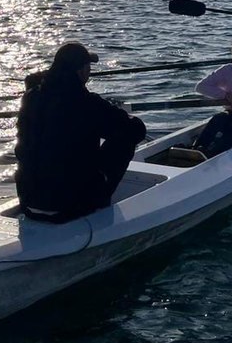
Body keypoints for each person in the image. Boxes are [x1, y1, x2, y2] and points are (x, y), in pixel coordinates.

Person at [15, 42, 147, 223]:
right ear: (82, 71)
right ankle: (99, 201)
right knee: (125, 139)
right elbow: (137, 130)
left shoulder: (30, 98)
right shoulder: (88, 103)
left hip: (28, 200)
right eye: (88, 67)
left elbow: (34, 81)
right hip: (72, 205)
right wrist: (119, 115)